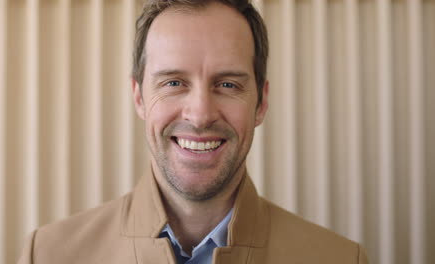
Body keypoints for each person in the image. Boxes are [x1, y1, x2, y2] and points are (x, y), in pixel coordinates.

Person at [18, 0, 368, 263]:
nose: (200, 115)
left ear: (261, 102)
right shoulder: (48, 255)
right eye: (173, 82)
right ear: (139, 97)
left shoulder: (338, 258)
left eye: (228, 84)